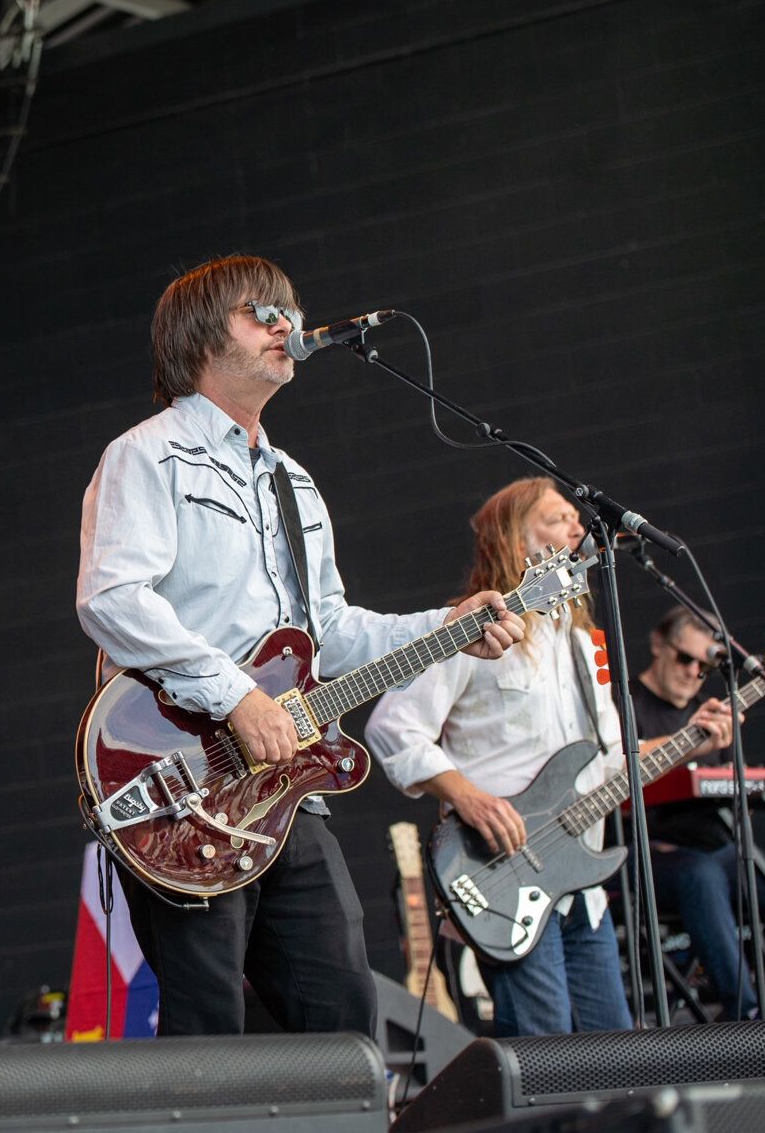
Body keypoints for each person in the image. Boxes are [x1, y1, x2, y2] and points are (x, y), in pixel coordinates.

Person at [75, 255, 524, 1037]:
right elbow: (112, 599)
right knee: (208, 1023)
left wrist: (448, 629)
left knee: (344, 1017)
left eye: (291, 310)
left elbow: (332, 632)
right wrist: (237, 697)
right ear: (203, 337)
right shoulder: (147, 456)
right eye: (264, 313)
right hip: (181, 782)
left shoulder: (294, 482)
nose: (289, 326)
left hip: (286, 791)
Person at [364, 478, 697, 1036]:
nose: (578, 529)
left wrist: (696, 740)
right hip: (503, 871)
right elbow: (392, 727)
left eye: (577, 519)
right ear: (516, 541)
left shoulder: (588, 642)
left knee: (617, 1054)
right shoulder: (473, 630)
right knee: (546, 1057)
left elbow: (613, 761)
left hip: (580, 881)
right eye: (558, 518)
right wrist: (469, 798)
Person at [633, 606, 765, 1018]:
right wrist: (685, 745)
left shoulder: (712, 714)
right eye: (686, 658)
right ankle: (747, 1015)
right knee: (699, 873)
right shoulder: (623, 705)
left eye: (705, 666)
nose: (693, 671)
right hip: (649, 855)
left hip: (720, 853)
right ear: (658, 646)